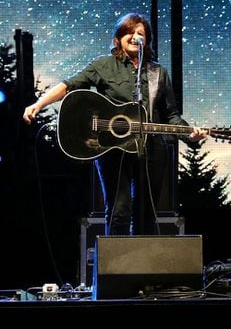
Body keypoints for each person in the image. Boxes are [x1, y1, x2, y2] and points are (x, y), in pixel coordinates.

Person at [23, 12, 207, 235]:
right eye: (129, 32)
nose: (134, 36)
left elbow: (171, 115)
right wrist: (39, 104)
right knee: (119, 210)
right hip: (111, 148)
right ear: (118, 38)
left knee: (146, 213)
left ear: (146, 40)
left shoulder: (158, 73)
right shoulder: (103, 65)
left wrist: (190, 134)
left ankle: (142, 267)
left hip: (151, 149)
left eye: (140, 33)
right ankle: (115, 268)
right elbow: (69, 85)